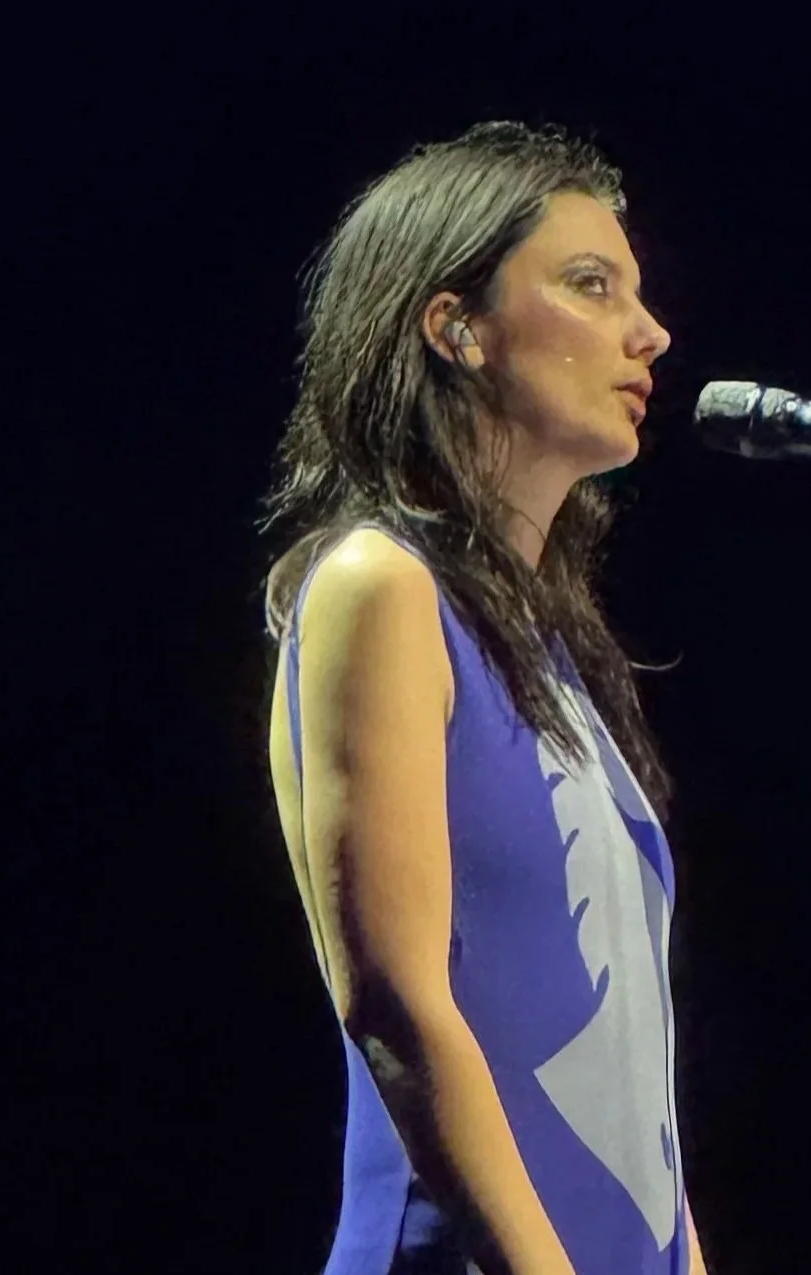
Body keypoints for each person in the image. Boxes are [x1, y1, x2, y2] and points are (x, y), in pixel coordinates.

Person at [260, 122, 704, 1275]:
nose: (647, 333)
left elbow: (635, 1101)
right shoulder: (379, 588)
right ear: (455, 328)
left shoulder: (553, 654)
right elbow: (399, 1004)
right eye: (590, 286)